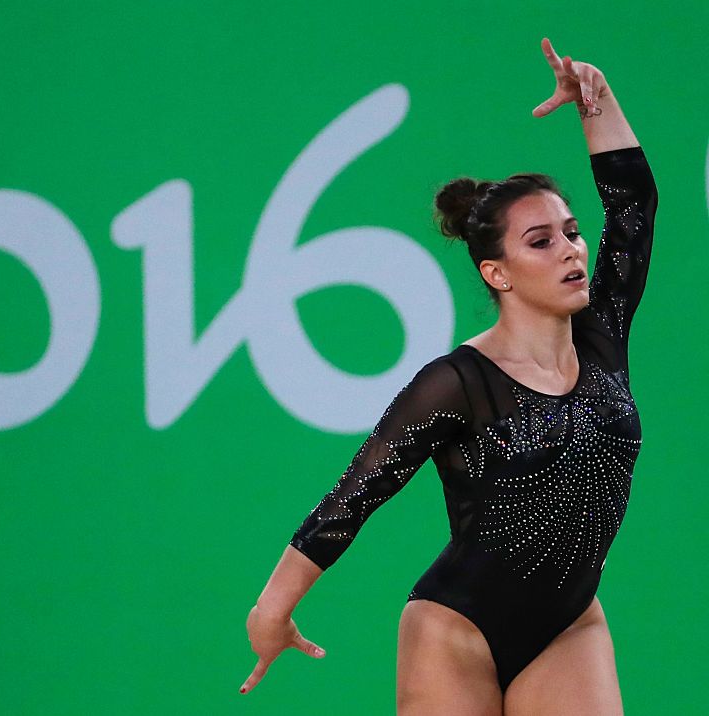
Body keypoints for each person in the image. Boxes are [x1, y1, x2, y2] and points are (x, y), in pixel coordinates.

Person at [239, 38, 657, 715]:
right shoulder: (456, 383)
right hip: (456, 630)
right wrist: (271, 611)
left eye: (572, 232)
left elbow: (633, 205)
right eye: (541, 241)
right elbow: (353, 498)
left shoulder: (602, 332)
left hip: (569, 624)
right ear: (497, 274)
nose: (573, 250)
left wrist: (595, 101)